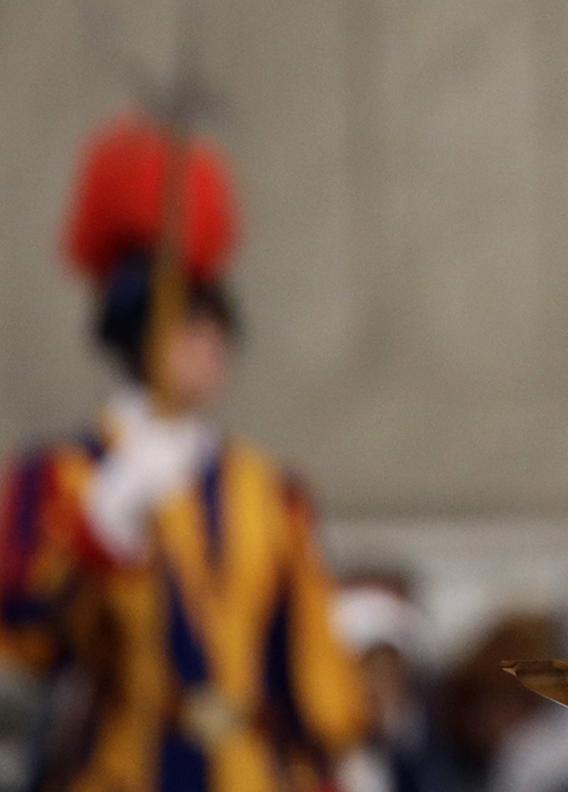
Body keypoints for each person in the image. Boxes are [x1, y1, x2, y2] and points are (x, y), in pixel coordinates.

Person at [0, 113, 366, 791]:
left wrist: (336, 759)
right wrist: (98, 534)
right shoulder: (60, 476)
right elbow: (28, 648)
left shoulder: (268, 487)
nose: (209, 347)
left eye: (215, 329)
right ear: (139, 337)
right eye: (187, 327)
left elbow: (304, 656)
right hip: (122, 770)